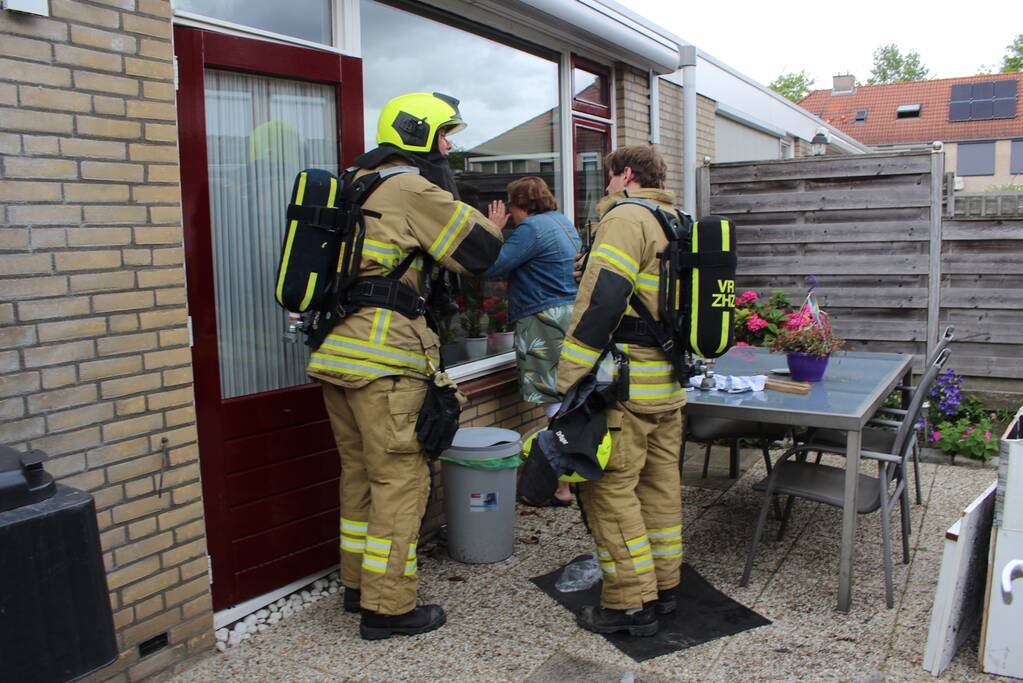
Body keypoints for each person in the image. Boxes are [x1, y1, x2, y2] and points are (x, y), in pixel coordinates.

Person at [308, 92, 503, 640]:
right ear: (419, 135)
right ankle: (389, 607)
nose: (450, 145)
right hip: (387, 358)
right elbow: (480, 252)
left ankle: (357, 585)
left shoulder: (355, 182)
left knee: (361, 477)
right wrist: (458, 195)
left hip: (338, 356)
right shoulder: (410, 187)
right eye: (445, 134)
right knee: (400, 480)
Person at [555, 145, 685, 637]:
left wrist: (570, 378)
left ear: (625, 175)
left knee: (610, 491)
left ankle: (630, 605)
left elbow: (602, 299)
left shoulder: (627, 218)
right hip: (668, 384)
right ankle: (664, 587)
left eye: (607, 177)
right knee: (659, 487)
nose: (604, 187)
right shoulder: (676, 219)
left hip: (625, 387)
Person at [484, 177, 580, 507]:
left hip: (544, 320)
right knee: (567, 399)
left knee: (553, 403)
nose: (509, 211)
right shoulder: (562, 222)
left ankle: (561, 486)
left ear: (519, 204)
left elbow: (492, 266)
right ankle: (574, 475)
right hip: (569, 315)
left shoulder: (531, 229)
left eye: (510, 205)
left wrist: (492, 230)